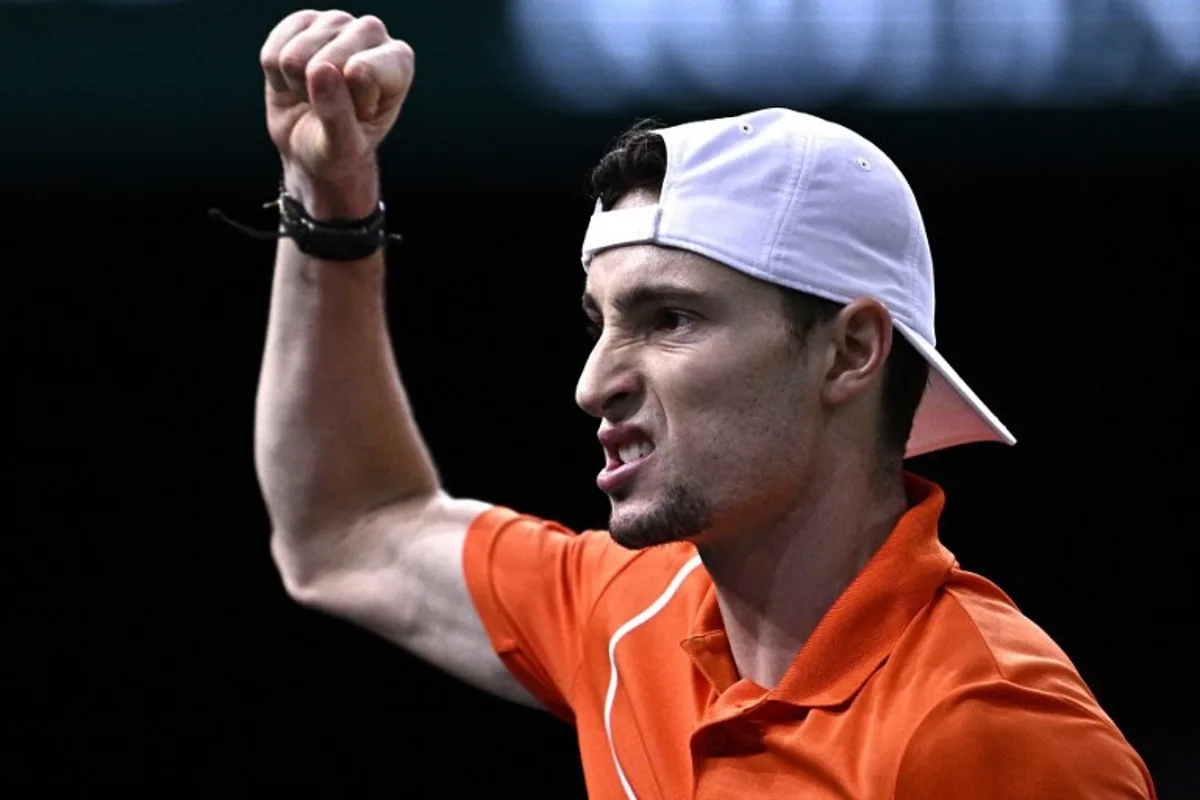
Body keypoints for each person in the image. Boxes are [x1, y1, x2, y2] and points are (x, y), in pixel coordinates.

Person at [251, 9, 1157, 798]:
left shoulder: (1000, 735)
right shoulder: (631, 612)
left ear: (850, 351)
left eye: (669, 317)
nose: (592, 382)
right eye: (600, 322)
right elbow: (345, 525)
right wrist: (328, 202)